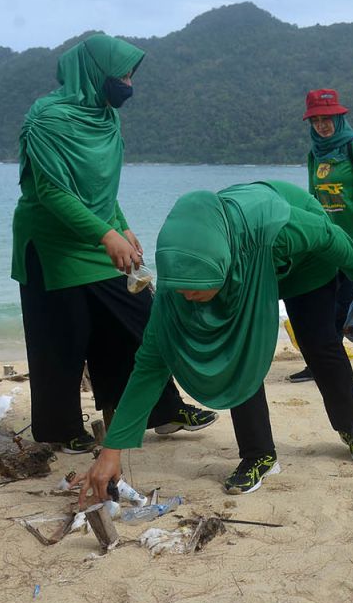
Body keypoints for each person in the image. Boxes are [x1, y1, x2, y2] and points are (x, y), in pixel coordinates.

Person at [75, 181, 353, 501]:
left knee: (318, 343)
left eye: (194, 291)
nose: (188, 298)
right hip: (233, 262)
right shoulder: (181, 278)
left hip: (304, 262)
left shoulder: (276, 225)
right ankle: (259, 455)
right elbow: (150, 365)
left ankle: (352, 426)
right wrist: (111, 450)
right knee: (234, 346)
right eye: (181, 289)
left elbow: (327, 234)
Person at [11, 34, 215, 454]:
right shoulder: (46, 120)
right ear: (94, 73)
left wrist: (121, 226)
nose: (127, 83)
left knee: (137, 317)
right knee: (63, 337)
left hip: (98, 235)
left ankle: (163, 410)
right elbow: (52, 192)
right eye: (120, 74)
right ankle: (60, 428)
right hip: (53, 244)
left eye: (129, 75)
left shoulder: (107, 118)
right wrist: (105, 233)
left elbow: (102, 188)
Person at [291, 88, 353, 384]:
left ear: (339, 118)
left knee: (340, 304)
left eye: (328, 118)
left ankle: (325, 362)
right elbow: (312, 196)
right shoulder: (314, 154)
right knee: (320, 302)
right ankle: (322, 361)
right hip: (323, 238)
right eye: (316, 120)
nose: (322, 125)